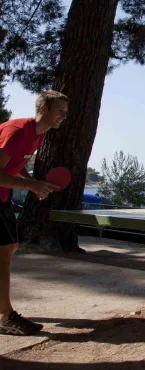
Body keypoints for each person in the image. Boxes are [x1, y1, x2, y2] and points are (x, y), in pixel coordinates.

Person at [0, 90, 68, 335]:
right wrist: (31, 186)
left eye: (65, 112)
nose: (64, 116)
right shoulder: (17, 132)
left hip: (3, 196)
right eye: (59, 111)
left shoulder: (38, 136)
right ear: (43, 109)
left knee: (9, 247)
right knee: (4, 250)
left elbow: (14, 167)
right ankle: (6, 317)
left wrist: (34, 183)